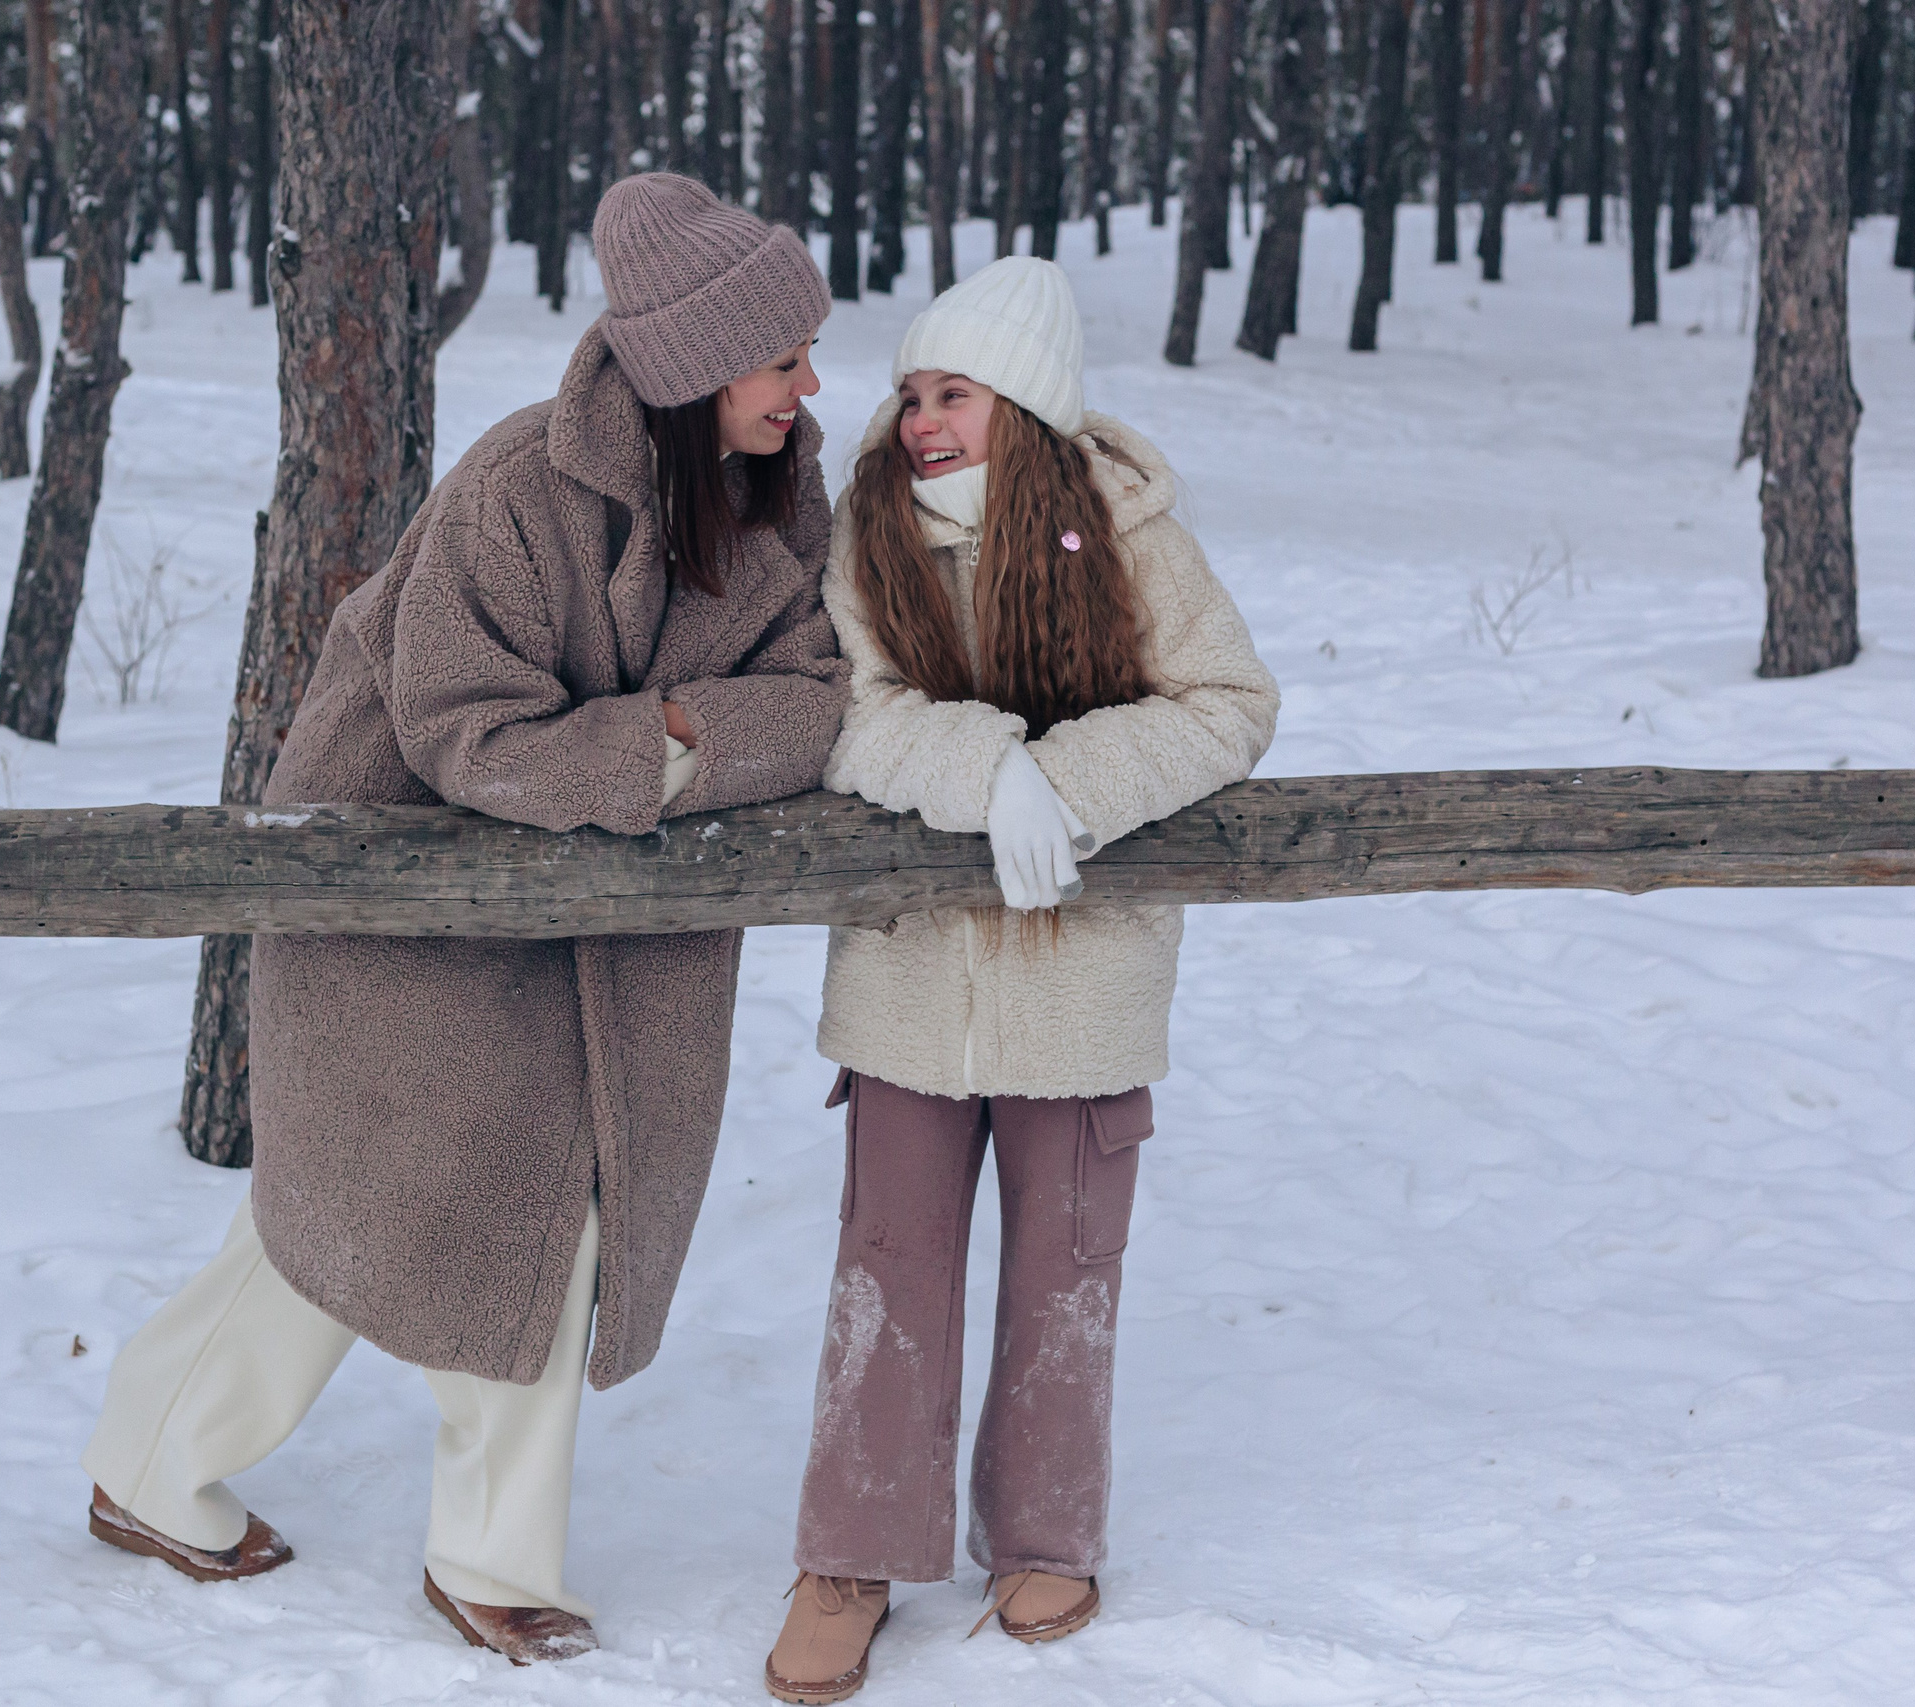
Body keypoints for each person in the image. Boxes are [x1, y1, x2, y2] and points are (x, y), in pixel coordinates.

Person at [79, 173, 847, 1667]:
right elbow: (467, 736)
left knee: (549, 1228)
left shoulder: (777, 501)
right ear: (696, 371)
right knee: (348, 1217)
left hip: (604, 940)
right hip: (407, 911)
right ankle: (151, 1461)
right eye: (783, 359)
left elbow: (816, 700)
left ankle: (488, 1561)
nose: (811, 387)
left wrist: (670, 736)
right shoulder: (514, 491)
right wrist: (678, 747)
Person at [762, 256, 1281, 1704]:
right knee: (889, 1268)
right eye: (913, 392)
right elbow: (844, 710)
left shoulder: (1130, 535)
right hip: (911, 985)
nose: (922, 420)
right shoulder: (867, 540)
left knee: (1067, 1269)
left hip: (1087, 983)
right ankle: (851, 1556)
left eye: (955, 394)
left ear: (1029, 408)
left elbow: (1231, 702)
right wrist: (984, 773)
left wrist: (1069, 783)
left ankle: (1048, 1532)